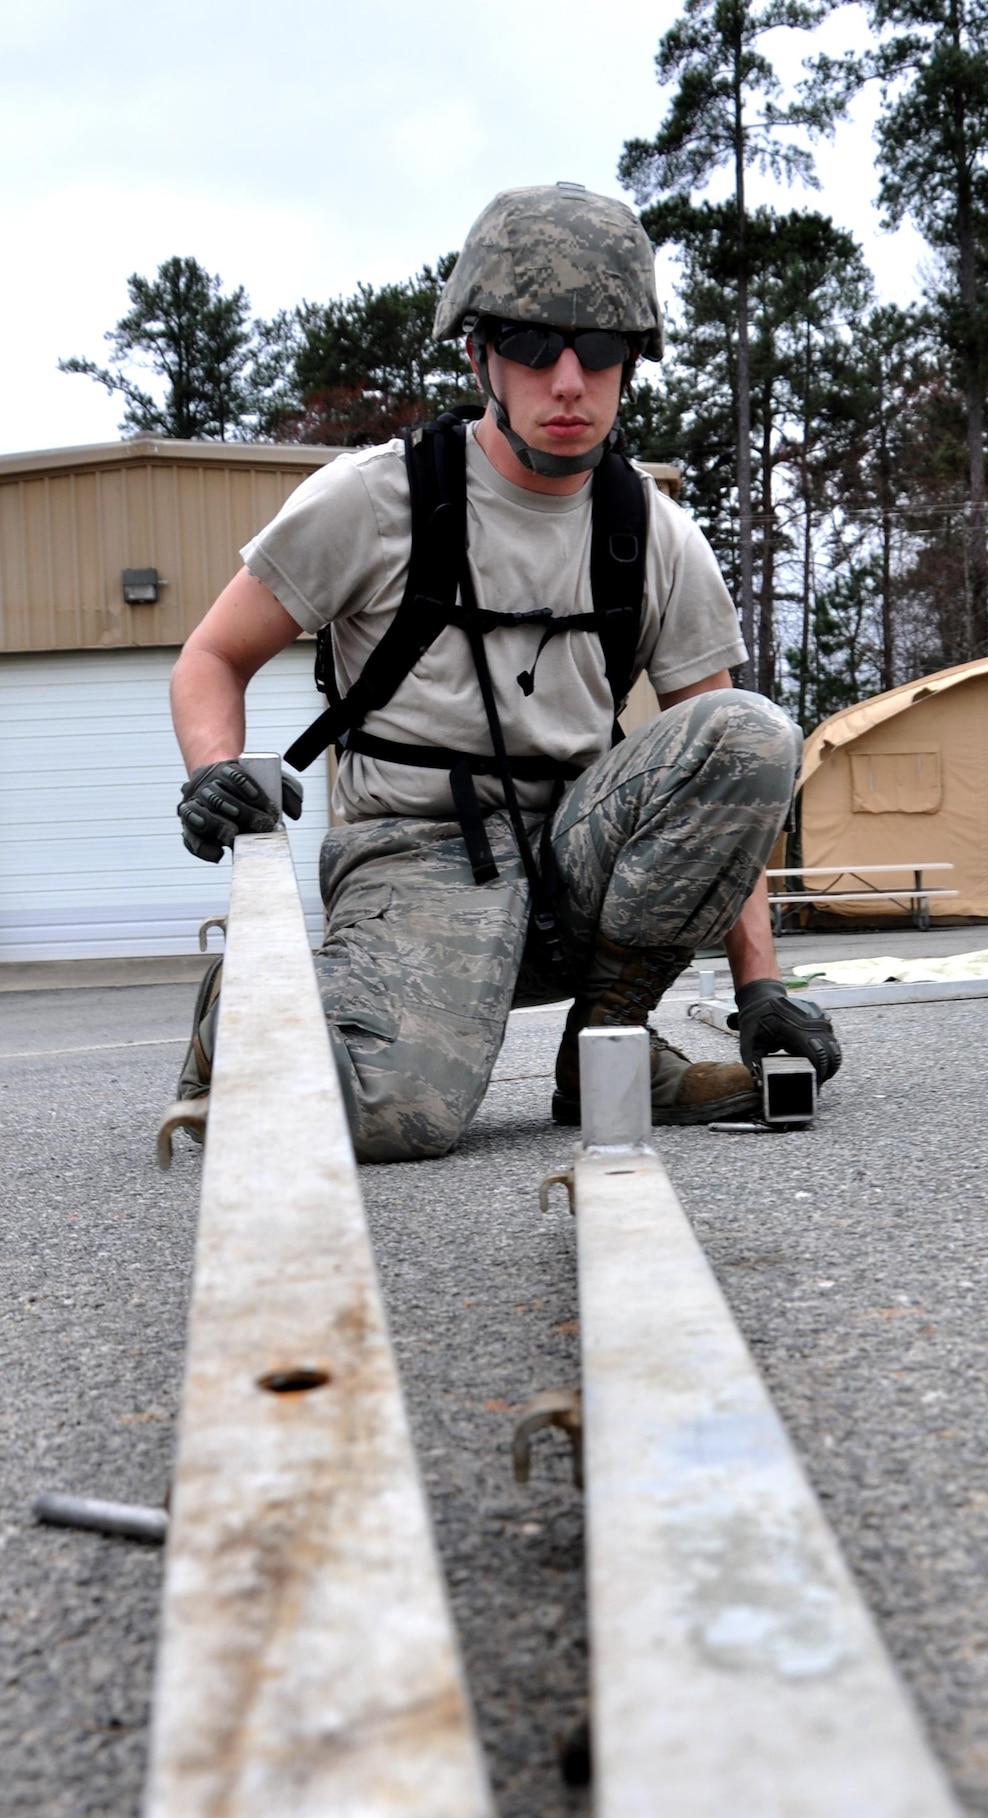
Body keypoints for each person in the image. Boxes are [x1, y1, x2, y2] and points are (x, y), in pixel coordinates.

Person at [169, 183, 841, 1162]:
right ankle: (256, 1004)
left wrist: (760, 988)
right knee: (383, 1120)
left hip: (574, 863)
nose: (567, 380)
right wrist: (211, 767)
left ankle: (608, 1045)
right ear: (481, 353)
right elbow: (210, 658)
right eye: (532, 345)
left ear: (631, 363)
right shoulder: (374, 500)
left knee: (753, 730)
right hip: (417, 856)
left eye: (599, 348)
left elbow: (726, 768)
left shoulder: (654, 533)